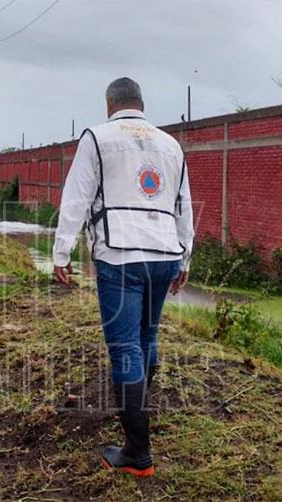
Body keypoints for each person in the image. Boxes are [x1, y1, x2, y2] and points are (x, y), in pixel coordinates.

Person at [52, 77, 194, 477]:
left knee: (126, 348)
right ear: (141, 104)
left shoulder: (97, 139)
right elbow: (183, 205)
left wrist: (62, 251)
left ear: (109, 104)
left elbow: (76, 198)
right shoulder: (171, 145)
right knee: (147, 337)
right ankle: (140, 417)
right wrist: (185, 259)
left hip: (120, 257)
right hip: (164, 253)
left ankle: (137, 452)